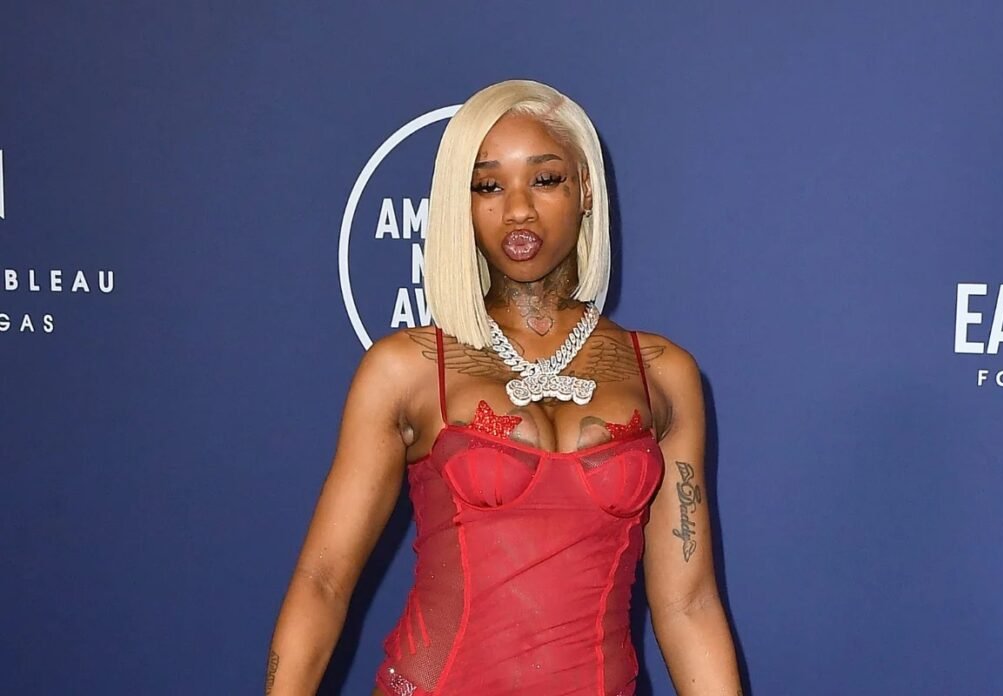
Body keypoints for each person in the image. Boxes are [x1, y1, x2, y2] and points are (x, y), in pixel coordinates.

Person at [267, 79, 742, 695]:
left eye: (545, 179)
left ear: (586, 189)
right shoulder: (406, 368)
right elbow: (323, 582)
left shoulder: (662, 372)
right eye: (489, 186)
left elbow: (689, 605)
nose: (518, 209)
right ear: (460, 204)